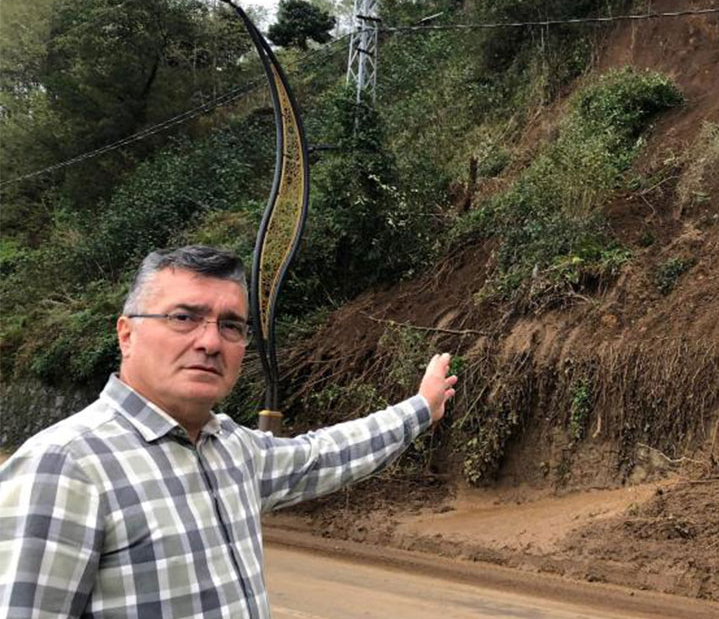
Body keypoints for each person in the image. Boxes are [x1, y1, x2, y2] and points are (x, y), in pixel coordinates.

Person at [0, 245, 457, 618]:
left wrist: (421, 409)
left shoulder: (231, 448)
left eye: (231, 326)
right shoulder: (64, 466)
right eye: (183, 317)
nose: (210, 342)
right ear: (126, 334)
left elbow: (324, 455)